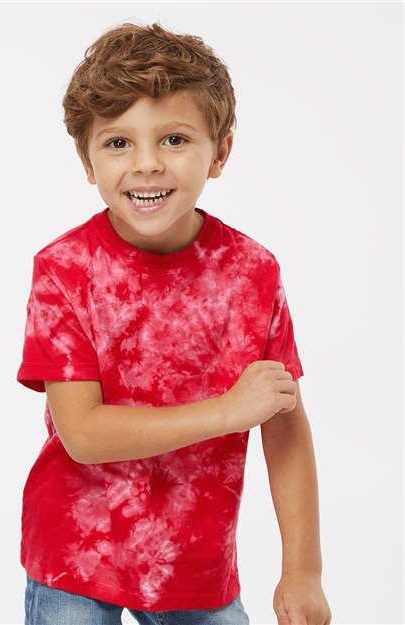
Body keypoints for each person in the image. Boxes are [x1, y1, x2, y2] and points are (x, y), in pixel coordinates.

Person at [17, 20, 332, 625]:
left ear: (221, 152)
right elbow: (83, 433)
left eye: (174, 139)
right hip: (75, 560)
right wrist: (228, 412)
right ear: (86, 160)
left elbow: (285, 426)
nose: (146, 165)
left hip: (195, 566)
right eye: (118, 143)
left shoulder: (253, 272)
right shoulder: (65, 270)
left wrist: (303, 570)